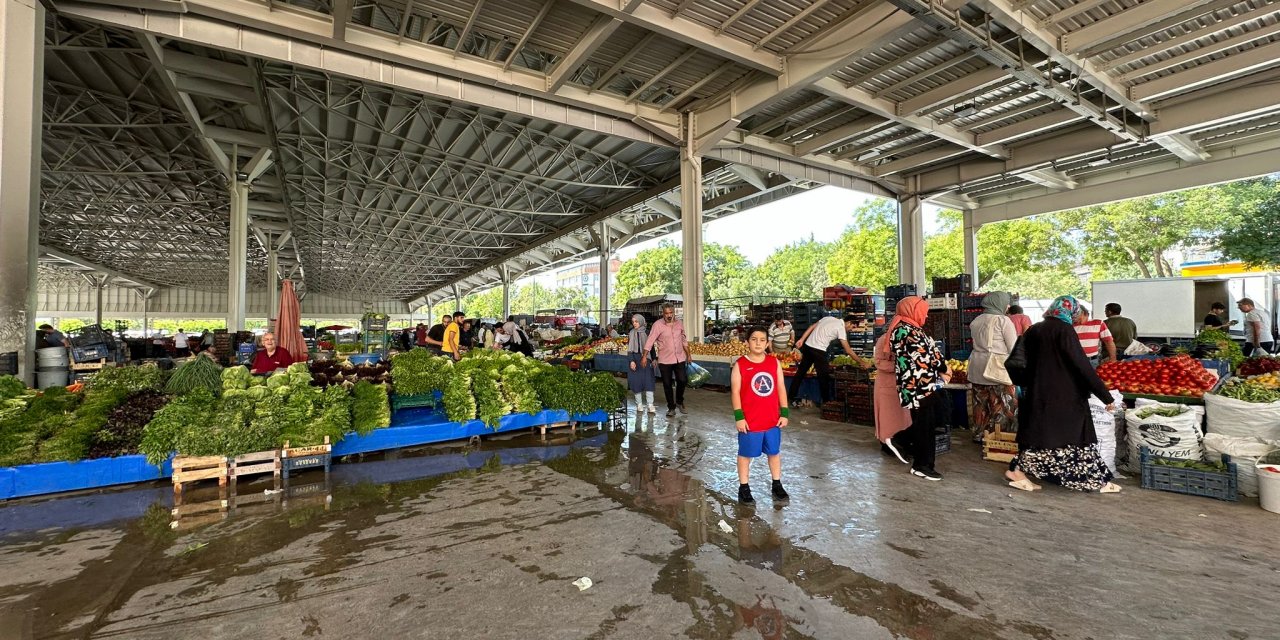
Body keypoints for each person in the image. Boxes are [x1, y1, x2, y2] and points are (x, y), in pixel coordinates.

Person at [1005, 296, 1121, 493]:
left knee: (1043, 435)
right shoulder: (1064, 330)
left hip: (1037, 393)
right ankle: (1096, 480)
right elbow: (1081, 364)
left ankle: (1018, 470)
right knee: (1073, 436)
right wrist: (1105, 395)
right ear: (1071, 311)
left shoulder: (1036, 328)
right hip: (1063, 395)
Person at [888, 297, 951, 481]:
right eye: (923, 311)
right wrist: (944, 367)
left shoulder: (906, 328)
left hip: (918, 385)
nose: (925, 315)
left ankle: (901, 442)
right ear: (912, 311)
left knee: (928, 422)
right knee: (925, 425)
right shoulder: (907, 330)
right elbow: (925, 356)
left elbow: (927, 352)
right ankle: (922, 465)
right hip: (918, 386)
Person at [731, 326, 790, 504]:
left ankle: (777, 484)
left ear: (767, 343)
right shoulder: (740, 364)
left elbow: (780, 387)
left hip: (772, 420)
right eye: (754, 339)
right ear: (747, 342)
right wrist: (739, 417)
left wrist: (784, 412)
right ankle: (744, 487)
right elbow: (735, 392)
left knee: (774, 452)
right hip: (750, 422)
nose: (758, 343)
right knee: (745, 455)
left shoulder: (774, 363)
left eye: (762, 340)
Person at [968, 292, 1019, 444]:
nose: (1007, 306)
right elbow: (1013, 348)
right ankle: (1001, 436)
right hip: (997, 368)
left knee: (980, 403)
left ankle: (979, 434)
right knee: (1003, 404)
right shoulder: (1003, 321)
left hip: (977, 366)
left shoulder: (976, 320)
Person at [789, 314, 861, 406]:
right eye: (852, 327)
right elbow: (848, 350)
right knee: (823, 377)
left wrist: (802, 339)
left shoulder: (828, 318)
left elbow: (812, 327)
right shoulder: (841, 328)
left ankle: (791, 396)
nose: (851, 329)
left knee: (800, 373)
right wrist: (861, 362)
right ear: (849, 322)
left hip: (808, 347)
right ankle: (826, 402)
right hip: (818, 351)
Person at [642, 303, 693, 417]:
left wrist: (688, 355)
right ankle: (671, 407)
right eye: (666, 313)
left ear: (674, 312)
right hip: (665, 360)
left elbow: (684, 340)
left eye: (671, 313)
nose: (669, 315)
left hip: (679, 358)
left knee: (682, 380)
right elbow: (650, 341)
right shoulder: (657, 325)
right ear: (663, 314)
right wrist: (645, 356)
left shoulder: (679, 324)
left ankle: (679, 401)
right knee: (667, 384)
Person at [874, 330, 913, 464]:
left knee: (903, 417)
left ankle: (901, 443)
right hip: (886, 386)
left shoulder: (906, 338)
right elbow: (878, 362)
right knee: (887, 417)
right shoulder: (883, 340)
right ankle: (886, 444)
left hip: (902, 384)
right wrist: (900, 365)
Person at [626, 314, 657, 414]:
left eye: (636, 321)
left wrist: (654, 358)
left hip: (646, 359)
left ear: (641, 321)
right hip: (634, 359)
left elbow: (650, 347)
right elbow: (629, 350)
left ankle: (650, 405)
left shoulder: (647, 332)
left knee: (649, 381)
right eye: (633, 322)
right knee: (636, 382)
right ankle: (639, 404)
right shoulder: (631, 333)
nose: (634, 323)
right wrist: (631, 361)